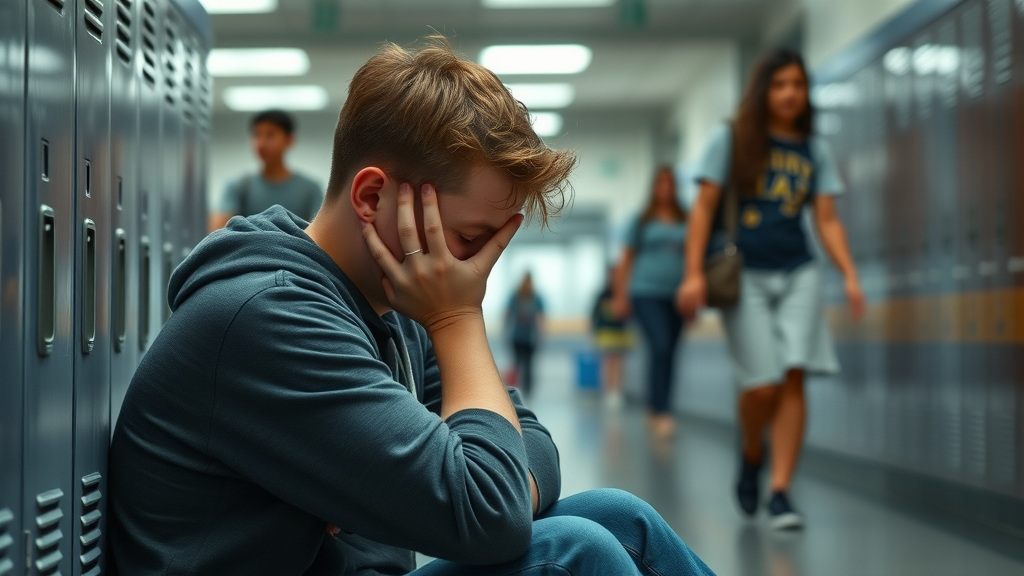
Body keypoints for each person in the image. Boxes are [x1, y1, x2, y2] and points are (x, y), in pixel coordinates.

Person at [109, 37, 715, 576]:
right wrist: (459, 320)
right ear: (374, 197)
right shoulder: (269, 316)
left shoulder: (391, 305)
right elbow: (490, 511)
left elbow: (523, 435)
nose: (476, 271)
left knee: (620, 518)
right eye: (471, 240)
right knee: (575, 551)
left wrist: (488, 480)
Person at [678, 48, 864, 530]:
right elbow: (702, 208)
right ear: (764, 92)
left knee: (794, 375)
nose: (788, 94)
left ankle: (780, 491)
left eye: (797, 86)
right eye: (779, 85)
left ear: (806, 93)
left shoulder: (812, 149)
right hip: (746, 276)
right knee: (763, 384)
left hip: (799, 269)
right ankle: (752, 449)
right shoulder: (733, 138)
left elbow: (825, 218)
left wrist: (849, 272)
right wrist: (693, 272)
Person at [613, 167, 688, 439]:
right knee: (660, 346)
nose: (666, 189)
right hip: (645, 292)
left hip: (677, 296)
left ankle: (661, 406)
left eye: (670, 184)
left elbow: (695, 257)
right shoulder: (641, 220)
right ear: (654, 187)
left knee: (670, 353)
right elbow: (626, 259)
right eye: (661, 184)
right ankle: (660, 411)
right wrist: (621, 296)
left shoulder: (687, 218)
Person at [207, 109, 324, 232]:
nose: (261, 143)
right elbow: (217, 229)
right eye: (257, 135)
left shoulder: (310, 189)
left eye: (270, 135)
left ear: (289, 140)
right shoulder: (239, 186)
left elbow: (320, 233)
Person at [591, 264, 633, 408]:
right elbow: (594, 315)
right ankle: (608, 392)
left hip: (620, 333)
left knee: (619, 364)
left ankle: (617, 392)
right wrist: (593, 332)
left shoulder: (624, 294)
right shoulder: (603, 295)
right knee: (608, 363)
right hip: (606, 334)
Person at [505, 273, 545, 396]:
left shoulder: (536, 298)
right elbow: (508, 314)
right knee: (518, 364)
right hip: (518, 337)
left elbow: (540, 318)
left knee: (528, 365)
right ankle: (516, 390)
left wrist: (540, 334)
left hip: (529, 338)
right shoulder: (516, 296)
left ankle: (526, 391)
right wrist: (506, 330)